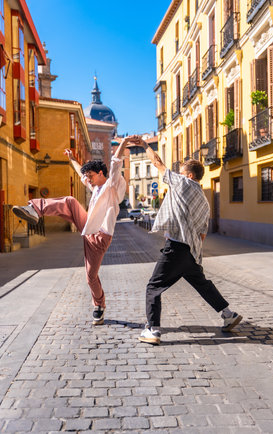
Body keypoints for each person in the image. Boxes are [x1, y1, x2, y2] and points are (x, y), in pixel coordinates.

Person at [12, 136, 137, 325]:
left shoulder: (112, 186)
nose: (87, 179)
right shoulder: (94, 186)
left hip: (100, 236)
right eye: (87, 177)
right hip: (88, 226)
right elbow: (80, 172)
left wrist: (124, 142)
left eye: (91, 176)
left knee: (91, 277)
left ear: (102, 174)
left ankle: (99, 306)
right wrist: (71, 158)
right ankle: (35, 209)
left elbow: (116, 162)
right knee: (70, 201)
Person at [135, 138, 242, 345]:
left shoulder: (183, 183)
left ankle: (153, 330)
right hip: (191, 251)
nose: (178, 176)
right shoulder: (204, 201)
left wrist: (145, 146)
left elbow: (157, 163)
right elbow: (202, 234)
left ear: (189, 176)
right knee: (203, 285)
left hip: (175, 247)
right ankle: (228, 315)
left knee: (153, 287)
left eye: (182, 172)